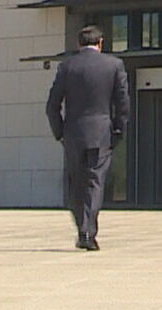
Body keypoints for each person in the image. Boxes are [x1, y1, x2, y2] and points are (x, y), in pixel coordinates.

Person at [46, 25, 130, 251]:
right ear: (100, 43)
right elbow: (123, 103)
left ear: (78, 44)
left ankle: (82, 227)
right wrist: (119, 130)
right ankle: (88, 231)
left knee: (76, 183)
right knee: (95, 182)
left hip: (73, 133)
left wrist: (60, 132)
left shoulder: (67, 66)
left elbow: (52, 105)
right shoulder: (114, 65)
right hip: (101, 133)